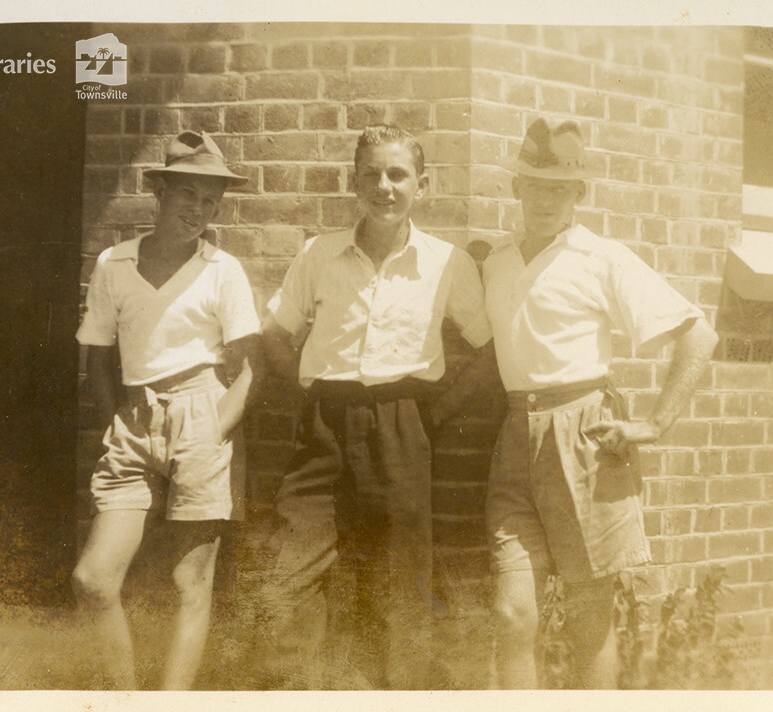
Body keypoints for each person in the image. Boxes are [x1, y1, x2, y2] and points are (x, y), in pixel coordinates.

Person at [483, 118, 719, 688]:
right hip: (515, 436)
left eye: (558, 187)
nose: (543, 197)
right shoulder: (495, 262)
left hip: (583, 438)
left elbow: (698, 334)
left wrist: (655, 424)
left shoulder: (600, 257)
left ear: (578, 193)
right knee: (511, 612)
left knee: (588, 617)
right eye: (533, 184)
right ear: (516, 188)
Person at [259, 124, 493, 689]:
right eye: (371, 174)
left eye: (397, 174)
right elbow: (275, 334)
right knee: (285, 578)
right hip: (323, 427)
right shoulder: (319, 254)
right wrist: (307, 393)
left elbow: (486, 350)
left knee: (397, 587)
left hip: (402, 425)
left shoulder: (447, 262)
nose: (383, 186)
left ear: (422, 183)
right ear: (353, 181)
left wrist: (429, 415)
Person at [71, 131, 262, 690]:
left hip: (203, 416)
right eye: (187, 195)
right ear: (158, 192)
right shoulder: (114, 264)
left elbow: (253, 369)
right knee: (93, 579)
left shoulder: (222, 269)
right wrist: (117, 420)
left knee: (189, 582)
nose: (198, 210)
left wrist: (213, 430)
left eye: (210, 201)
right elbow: (98, 356)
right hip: (135, 426)